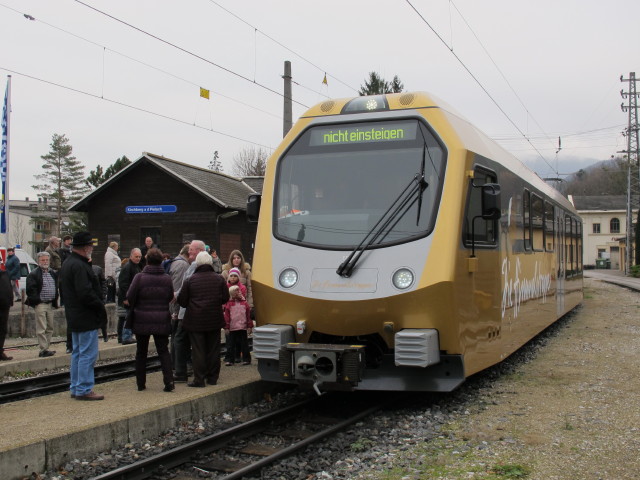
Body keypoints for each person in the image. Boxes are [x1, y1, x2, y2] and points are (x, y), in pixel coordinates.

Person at [58, 231, 107, 401]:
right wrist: (99, 304)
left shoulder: (68, 263)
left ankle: (76, 386)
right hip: (85, 315)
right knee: (87, 353)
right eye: (90, 246)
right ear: (85, 247)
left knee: (78, 352)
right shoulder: (79, 266)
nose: (92, 248)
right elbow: (85, 292)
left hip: (74, 314)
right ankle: (84, 388)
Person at [126, 248, 175, 392]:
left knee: (141, 352)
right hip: (161, 318)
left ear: (147, 260)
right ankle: (169, 382)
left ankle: (141, 384)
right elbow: (170, 297)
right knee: (163, 351)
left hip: (141, 318)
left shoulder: (139, 277)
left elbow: (130, 296)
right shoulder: (166, 278)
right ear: (161, 261)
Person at [177, 251, 229, 387]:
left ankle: (199, 379)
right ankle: (213, 378)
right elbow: (225, 298)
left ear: (198, 264)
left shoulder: (190, 280)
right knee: (214, 350)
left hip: (195, 321)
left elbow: (182, 301)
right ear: (211, 263)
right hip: (214, 320)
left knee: (198, 350)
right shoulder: (219, 279)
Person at [173, 240, 206, 382]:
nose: (189, 252)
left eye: (191, 249)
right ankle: (202, 371)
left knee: (180, 339)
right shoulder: (207, 266)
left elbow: (186, 287)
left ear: (199, 251)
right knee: (199, 341)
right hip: (200, 311)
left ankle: (180, 372)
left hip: (187, 311)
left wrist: (174, 296)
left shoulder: (194, 266)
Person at [221, 250, 253, 363]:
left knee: (241, 334)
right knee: (230, 334)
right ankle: (231, 356)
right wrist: (223, 304)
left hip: (242, 305)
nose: (236, 260)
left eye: (238, 258)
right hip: (229, 305)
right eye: (234, 258)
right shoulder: (225, 272)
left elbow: (249, 288)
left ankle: (241, 356)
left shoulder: (246, 271)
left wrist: (249, 303)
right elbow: (222, 290)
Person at [26, 251, 59, 357]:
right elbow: (31, 290)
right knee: (42, 327)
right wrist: (37, 300)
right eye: (42, 260)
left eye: (46, 260)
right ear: (38, 261)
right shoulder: (34, 274)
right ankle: (43, 349)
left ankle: (46, 348)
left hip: (50, 304)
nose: (45, 262)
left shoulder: (52, 273)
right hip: (40, 304)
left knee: (50, 327)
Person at [168, 244, 189, 377]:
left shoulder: (176, 263)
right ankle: (176, 365)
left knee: (176, 337)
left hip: (175, 308)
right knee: (177, 337)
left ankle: (174, 364)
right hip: (177, 309)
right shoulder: (183, 266)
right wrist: (175, 311)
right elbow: (177, 290)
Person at [223, 285, 252, 366]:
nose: (238, 292)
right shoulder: (229, 304)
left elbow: (248, 315)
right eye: (236, 291)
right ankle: (230, 360)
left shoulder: (244, 303)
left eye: (238, 290)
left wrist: (249, 326)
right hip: (232, 328)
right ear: (231, 293)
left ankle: (246, 359)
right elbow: (227, 317)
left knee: (244, 344)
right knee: (231, 345)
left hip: (242, 327)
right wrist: (226, 327)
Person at [118, 248, 142, 344]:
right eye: (136, 257)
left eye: (139, 257)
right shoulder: (128, 267)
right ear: (131, 256)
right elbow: (123, 284)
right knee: (128, 317)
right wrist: (125, 298)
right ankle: (126, 336)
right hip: (128, 297)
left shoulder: (135, 266)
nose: (138, 258)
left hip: (133, 296)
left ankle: (127, 335)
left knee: (130, 316)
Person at [89, 258, 108, 342]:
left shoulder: (97, 269)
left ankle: (105, 335)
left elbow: (103, 282)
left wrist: (103, 295)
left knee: (102, 317)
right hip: (89, 298)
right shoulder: (81, 271)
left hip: (98, 298)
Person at [0, 265, 13, 361]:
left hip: (5, 307)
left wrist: (10, 301)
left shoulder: (5, 274)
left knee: (3, 330)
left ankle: (0, 351)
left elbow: (9, 288)